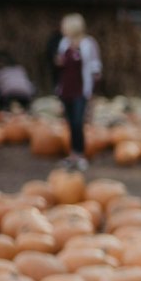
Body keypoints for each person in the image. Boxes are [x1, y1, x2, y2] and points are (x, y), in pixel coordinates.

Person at [54, 16, 101, 169]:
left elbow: (95, 69)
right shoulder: (64, 43)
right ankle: (72, 154)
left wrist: (93, 91)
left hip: (81, 90)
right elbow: (60, 64)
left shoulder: (88, 44)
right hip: (66, 89)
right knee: (70, 123)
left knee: (78, 122)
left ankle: (80, 154)